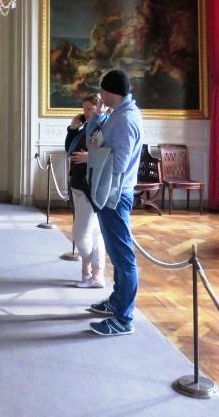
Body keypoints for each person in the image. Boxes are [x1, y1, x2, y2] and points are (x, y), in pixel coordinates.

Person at [71, 69, 143, 337]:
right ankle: (117, 302)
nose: (100, 94)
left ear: (112, 91)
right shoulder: (116, 114)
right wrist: (98, 117)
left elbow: (120, 163)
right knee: (116, 252)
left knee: (123, 257)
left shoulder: (126, 119)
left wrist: (93, 155)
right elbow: (95, 138)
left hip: (116, 194)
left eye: (103, 90)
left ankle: (124, 318)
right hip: (107, 191)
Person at [65, 94, 107, 289]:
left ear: (100, 107)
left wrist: (89, 157)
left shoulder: (105, 127)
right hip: (77, 182)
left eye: (90, 108)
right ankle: (95, 274)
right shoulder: (86, 129)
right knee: (93, 231)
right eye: (84, 109)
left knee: (81, 234)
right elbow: (69, 149)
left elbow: (108, 154)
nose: (86, 112)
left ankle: (91, 266)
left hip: (90, 186)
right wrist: (73, 129)